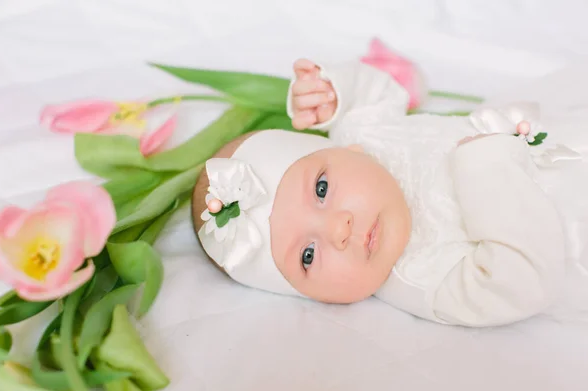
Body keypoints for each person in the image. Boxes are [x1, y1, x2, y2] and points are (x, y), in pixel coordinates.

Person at [191, 57, 587, 327]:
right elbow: (523, 282)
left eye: (322, 188)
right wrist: (487, 167)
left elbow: (374, 95)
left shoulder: (363, 135)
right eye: (308, 256)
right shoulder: (419, 278)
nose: (339, 229)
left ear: (344, 149)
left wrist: (332, 95)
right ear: (318, 299)